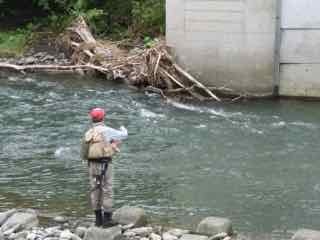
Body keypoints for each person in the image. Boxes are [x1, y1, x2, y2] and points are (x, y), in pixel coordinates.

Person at [81, 107, 128, 227]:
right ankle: (107, 219)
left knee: (95, 189)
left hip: (92, 165)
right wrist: (123, 127)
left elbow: (84, 153)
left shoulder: (88, 133)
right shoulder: (107, 130)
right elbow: (124, 135)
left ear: (92, 118)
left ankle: (98, 220)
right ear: (103, 117)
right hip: (106, 164)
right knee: (107, 190)